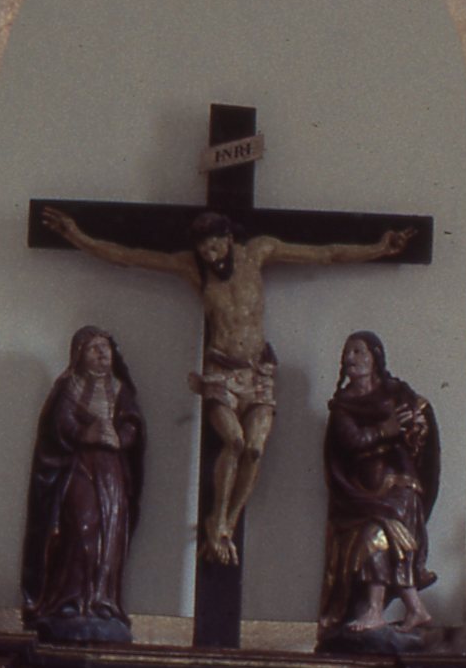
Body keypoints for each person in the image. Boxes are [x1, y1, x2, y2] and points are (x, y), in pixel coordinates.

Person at [39, 201, 414, 566]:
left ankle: (226, 525)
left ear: (230, 238)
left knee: (254, 449)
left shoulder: (259, 253)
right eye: (203, 248)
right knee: (233, 441)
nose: (210, 254)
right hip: (221, 373)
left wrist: (379, 249)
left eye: (215, 245)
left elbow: (326, 254)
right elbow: (128, 256)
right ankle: (215, 518)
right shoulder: (191, 267)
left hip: (259, 372)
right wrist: (77, 236)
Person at [21, 326, 145, 640]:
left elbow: (132, 424)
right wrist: (83, 433)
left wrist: (121, 437)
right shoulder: (69, 387)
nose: (102, 353)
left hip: (111, 470)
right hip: (77, 466)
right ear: (79, 355)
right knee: (80, 527)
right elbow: (58, 424)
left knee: (110, 531)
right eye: (94, 348)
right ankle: (68, 599)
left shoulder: (120, 390)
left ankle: (103, 602)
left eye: (106, 347)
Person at [317, 331, 439, 643]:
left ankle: (375, 610)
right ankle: (414, 608)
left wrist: (415, 425)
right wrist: (386, 429)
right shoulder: (343, 407)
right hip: (363, 492)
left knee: (375, 536)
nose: (351, 358)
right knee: (381, 539)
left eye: (358, 351)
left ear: (375, 357)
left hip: (400, 485)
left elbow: (418, 428)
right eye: (347, 352)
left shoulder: (396, 393)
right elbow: (352, 442)